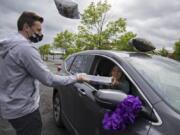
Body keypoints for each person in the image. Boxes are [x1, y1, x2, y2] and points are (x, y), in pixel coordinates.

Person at [0, 11, 87, 135]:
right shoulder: (25, 49)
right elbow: (48, 79)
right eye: (38, 30)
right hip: (24, 110)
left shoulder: (7, 44)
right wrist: (76, 77)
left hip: (9, 105)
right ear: (26, 27)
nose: (41, 34)